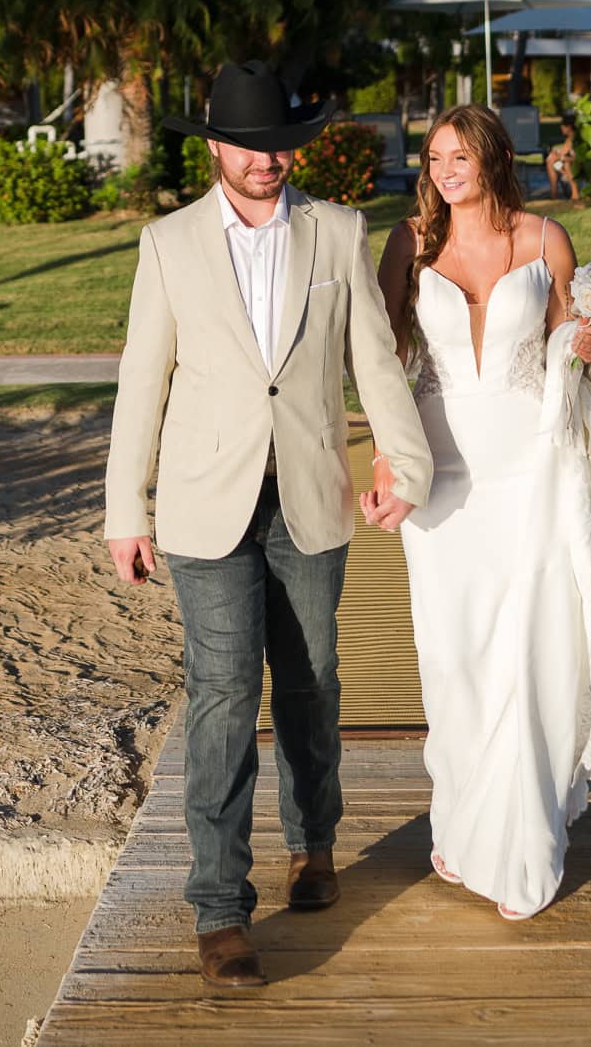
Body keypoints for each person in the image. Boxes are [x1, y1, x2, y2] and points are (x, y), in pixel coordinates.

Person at [104, 60, 432, 991]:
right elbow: (142, 380)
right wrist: (125, 508)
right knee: (220, 693)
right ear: (214, 146)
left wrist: (402, 462)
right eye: (250, 147)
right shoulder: (167, 243)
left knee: (314, 681)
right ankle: (219, 910)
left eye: (281, 146)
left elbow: (374, 355)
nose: (268, 162)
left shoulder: (336, 232)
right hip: (207, 504)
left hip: (311, 497)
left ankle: (313, 845)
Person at [376, 103, 591, 920]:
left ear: (494, 159)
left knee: (533, 643)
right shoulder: (409, 244)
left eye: (460, 155)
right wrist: (382, 458)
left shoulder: (545, 242)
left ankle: (526, 843)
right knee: (455, 655)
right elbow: (383, 360)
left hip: (531, 470)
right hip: (439, 478)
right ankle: (464, 826)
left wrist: (588, 341)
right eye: (435, 157)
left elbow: (570, 342)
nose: (445, 170)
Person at [545, 113, 581, 203]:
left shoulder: (576, 140)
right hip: (567, 167)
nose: (561, 128)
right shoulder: (569, 139)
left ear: (568, 127)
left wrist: (562, 158)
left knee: (565, 163)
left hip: (577, 167)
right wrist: (557, 155)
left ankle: (573, 193)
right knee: (551, 160)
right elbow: (563, 154)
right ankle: (554, 194)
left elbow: (578, 159)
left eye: (563, 126)